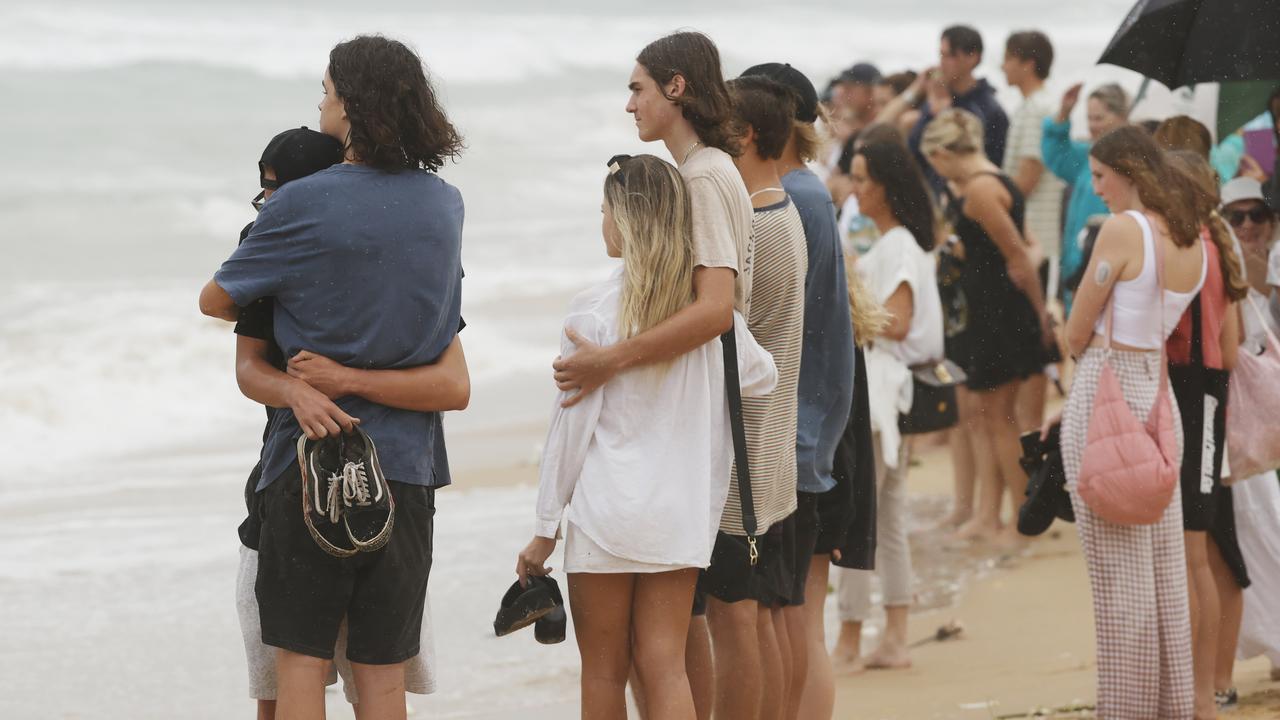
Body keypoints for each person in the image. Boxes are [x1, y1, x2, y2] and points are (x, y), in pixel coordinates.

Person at [199, 35, 465, 720]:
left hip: (310, 462)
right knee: (382, 679)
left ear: (352, 104)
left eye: (327, 89)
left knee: (301, 670)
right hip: (407, 469)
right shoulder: (444, 206)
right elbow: (446, 354)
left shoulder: (301, 203)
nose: (320, 101)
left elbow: (217, 299)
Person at [516, 154, 776, 720]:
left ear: (627, 221)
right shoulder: (708, 314)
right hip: (679, 510)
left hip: (606, 513)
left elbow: (571, 428)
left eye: (605, 209)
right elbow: (761, 377)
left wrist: (544, 530)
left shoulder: (594, 310)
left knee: (605, 672)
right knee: (665, 664)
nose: (601, 221)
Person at [553, 31, 752, 720]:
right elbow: (747, 360)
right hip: (682, 478)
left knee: (610, 670)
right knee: (667, 655)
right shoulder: (710, 172)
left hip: (630, 495)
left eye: (638, 87)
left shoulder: (701, 177)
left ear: (676, 87)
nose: (628, 103)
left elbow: (718, 312)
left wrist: (609, 362)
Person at [1052, 125, 1209, 719]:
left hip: (1106, 390)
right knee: (1163, 571)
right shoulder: (1194, 240)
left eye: (1100, 177)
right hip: (1155, 397)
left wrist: (1078, 335)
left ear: (1130, 171)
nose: (1097, 191)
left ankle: (1124, 709)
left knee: (1119, 578)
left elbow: (1076, 329)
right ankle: (1172, 705)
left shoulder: (1124, 230)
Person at [739, 61, 855, 720]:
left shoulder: (796, 199)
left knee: (789, 615)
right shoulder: (805, 191)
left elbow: (789, 331)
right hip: (811, 431)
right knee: (792, 613)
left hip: (801, 436)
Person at [698, 74, 807, 720]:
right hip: (769, 444)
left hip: (743, 451)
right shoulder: (784, 210)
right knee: (758, 616)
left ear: (744, 135)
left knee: (734, 619)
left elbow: (722, 335)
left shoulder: (759, 228)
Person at [834, 133, 943, 672]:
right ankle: (890, 635)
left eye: (859, 178)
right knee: (886, 516)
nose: (853, 188)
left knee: (858, 519)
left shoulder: (898, 244)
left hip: (880, 393)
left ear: (883, 185)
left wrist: (845, 306)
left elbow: (896, 323)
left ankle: (854, 637)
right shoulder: (890, 241)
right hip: (884, 392)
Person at [922, 109, 1051, 544]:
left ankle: (1021, 521)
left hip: (1001, 319)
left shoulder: (980, 189)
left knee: (1002, 420)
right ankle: (992, 516)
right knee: (994, 417)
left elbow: (1017, 260)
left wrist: (1040, 314)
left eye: (935, 163)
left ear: (942, 153)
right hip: (992, 316)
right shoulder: (989, 180)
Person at [1163, 150, 1248, 720]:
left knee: (1197, 554)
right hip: (1207, 397)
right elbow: (1234, 347)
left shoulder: (1194, 253)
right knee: (1205, 551)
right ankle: (1204, 688)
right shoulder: (1216, 248)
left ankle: (1200, 696)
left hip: (1195, 398)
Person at [1218, 177, 1280, 701]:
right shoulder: (1222, 268)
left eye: (1256, 214)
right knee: (1253, 525)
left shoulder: (1267, 267)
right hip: (1248, 421)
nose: (1247, 226)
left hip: (1262, 410)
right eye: (1234, 217)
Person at [1001, 30, 1066, 437]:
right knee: (1027, 340)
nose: (1002, 66)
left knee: (1034, 339)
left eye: (1008, 58)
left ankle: (1031, 432)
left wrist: (992, 208)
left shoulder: (1040, 107)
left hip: (1038, 242)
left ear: (1027, 62)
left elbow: (1025, 179)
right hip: (1031, 242)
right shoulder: (1030, 106)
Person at [1042, 83, 1130, 306]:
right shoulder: (1088, 157)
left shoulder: (1133, 165)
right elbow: (1056, 155)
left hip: (1105, 274)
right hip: (1074, 269)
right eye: (1089, 119)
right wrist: (1064, 112)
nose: (1092, 127)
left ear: (1122, 117)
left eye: (1099, 118)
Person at [908, 25, 1011, 191]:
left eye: (949, 55)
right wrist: (930, 112)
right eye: (940, 54)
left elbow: (985, 164)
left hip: (968, 203)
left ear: (972, 57)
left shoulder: (990, 110)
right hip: (935, 202)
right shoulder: (939, 98)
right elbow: (914, 153)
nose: (941, 62)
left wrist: (943, 115)